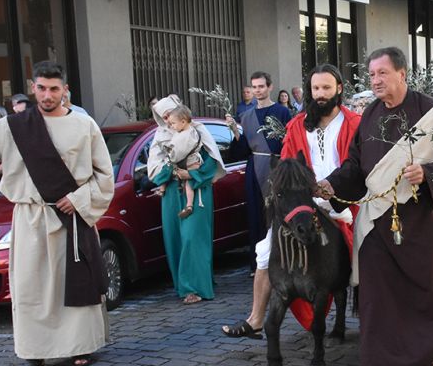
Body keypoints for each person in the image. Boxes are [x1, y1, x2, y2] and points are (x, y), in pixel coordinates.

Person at [317, 47, 433, 366]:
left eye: (382, 74)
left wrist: (428, 172)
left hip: (423, 218)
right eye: (372, 74)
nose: (375, 80)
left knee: (432, 287)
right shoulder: (371, 114)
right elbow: (356, 166)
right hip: (378, 221)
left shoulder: (430, 111)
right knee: (376, 293)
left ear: (402, 74)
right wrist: (332, 184)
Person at [0, 61, 113, 366]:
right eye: (42, 88)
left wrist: (78, 199)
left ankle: (81, 345)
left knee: (72, 282)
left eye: (54, 89)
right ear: (33, 87)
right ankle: (35, 354)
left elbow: (104, 175)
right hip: (30, 217)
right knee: (31, 288)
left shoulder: (85, 127)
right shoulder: (15, 126)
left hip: (70, 217)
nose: (47, 95)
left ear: (65, 90)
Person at [222, 63, 360, 339]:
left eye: (326, 88)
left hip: (346, 202)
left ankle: (378, 323)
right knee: (265, 250)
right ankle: (257, 319)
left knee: (367, 256)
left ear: (339, 89)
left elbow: (360, 165)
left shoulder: (354, 122)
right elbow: (285, 167)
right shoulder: (297, 124)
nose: (320, 94)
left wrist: (334, 189)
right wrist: (304, 190)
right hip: (304, 204)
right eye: (315, 88)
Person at [148, 96, 226, 304]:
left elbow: (211, 162)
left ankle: (197, 286)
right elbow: (155, 170)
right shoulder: (160, 136)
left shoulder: (198, 131)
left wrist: (191, 175)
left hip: (198, 191)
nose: (167, 120)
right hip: (172, 194)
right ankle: (184, 287)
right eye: (163, 117)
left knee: (194, 238)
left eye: (170, 115)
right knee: (176, 239)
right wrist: (171, 172)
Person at [226, 71, 293, 272]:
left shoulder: (282, 112)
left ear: (270, 87)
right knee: (256, 214)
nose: (257, 90)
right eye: (254, 87)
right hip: (255, 169)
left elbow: (289, 142)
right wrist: (235, 132)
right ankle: (259, 264)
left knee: (279, 212)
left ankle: (283, 258)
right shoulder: (246, 116)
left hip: (277, 168)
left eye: (261, 86)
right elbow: (242, 150)